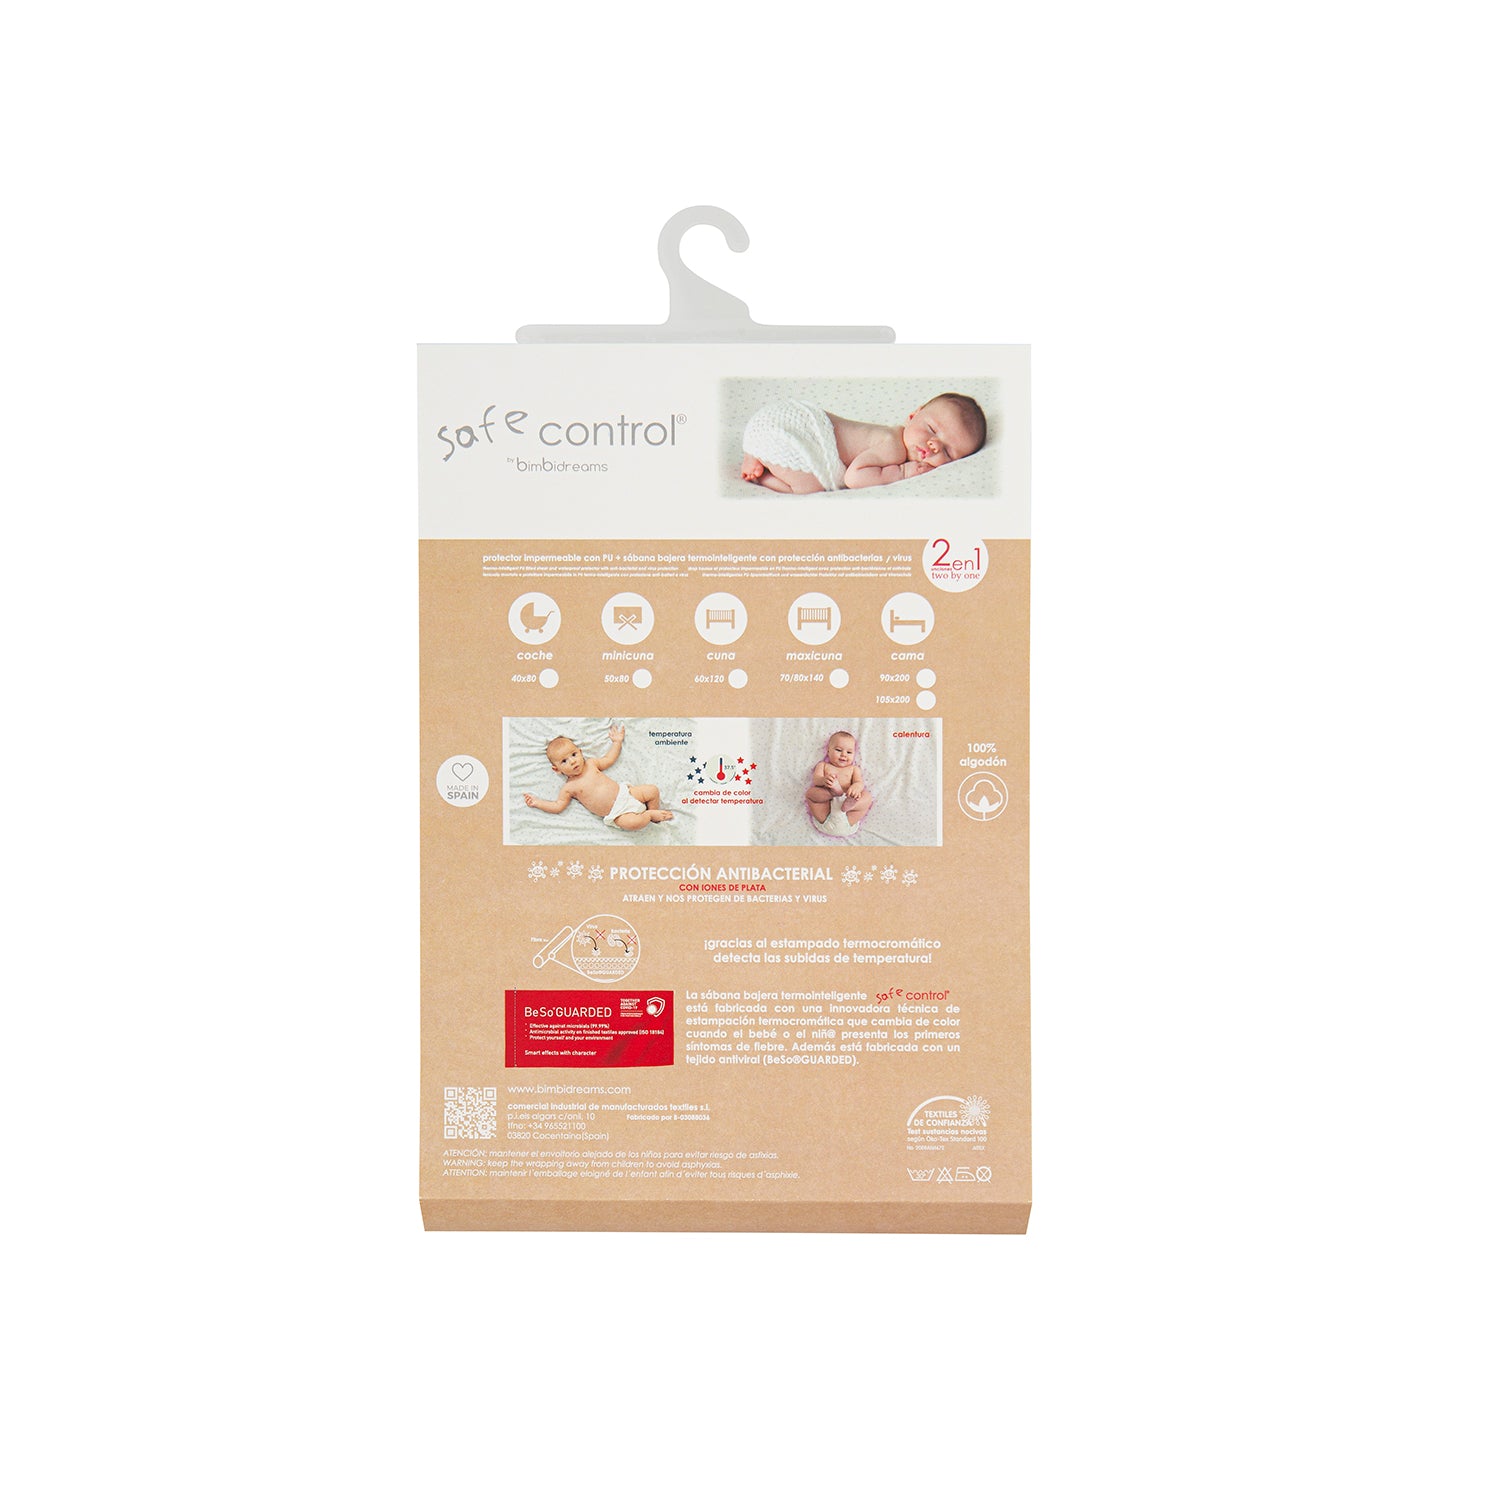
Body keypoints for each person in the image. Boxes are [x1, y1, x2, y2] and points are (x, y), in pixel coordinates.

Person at [741, 391, 986, 493]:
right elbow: (853, 478)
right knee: (808, 487)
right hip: (795, 429)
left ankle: (756, 453)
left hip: (775, 420)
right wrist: (902, 472)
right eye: (931, 429)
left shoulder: (889, 437)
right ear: (913, 416)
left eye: (948, 452)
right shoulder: (893, 446)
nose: (934, 445)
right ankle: (763, 473)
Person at [523, 725, 674, 831]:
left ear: (580, 752)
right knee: (632, 824)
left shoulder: (591, 764)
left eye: (574, 755)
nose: (573, 761)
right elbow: (558, 806)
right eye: (564, 761)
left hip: (627, 794)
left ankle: (655, 813)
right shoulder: (569, 787)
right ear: (556, 769)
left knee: (652, 790)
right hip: (617, 813)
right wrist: (537, 803)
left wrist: (617, 742)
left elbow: (609, 759)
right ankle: (649, 815)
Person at [806, 730, 873, 836]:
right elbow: (816, 780)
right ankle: (833, 793)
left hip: (848, 816)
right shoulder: (823, 765)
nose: (843, 755)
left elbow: (859, 782)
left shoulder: (853, 769)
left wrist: (856, 787)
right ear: (828, 751)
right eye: (838, 750)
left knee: (867, 797)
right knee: (811, 793)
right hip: (825, 813)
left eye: (849, 752)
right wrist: (823, 780)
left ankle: (850, 805)